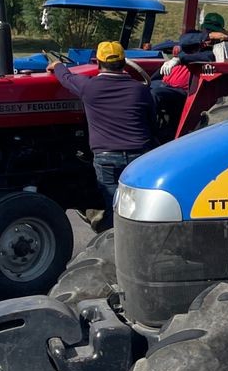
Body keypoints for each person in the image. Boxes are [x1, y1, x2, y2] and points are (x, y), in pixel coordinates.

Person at [48, 40, 156, 230]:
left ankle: (112, 242)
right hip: (139, 156)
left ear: (98, 63)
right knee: (136, 206)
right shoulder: (140, 90)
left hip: (107, 157)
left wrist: (57, 65)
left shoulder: (89, 87)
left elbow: (65, 77)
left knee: (115, 207)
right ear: (124, 63)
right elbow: (151, 121)